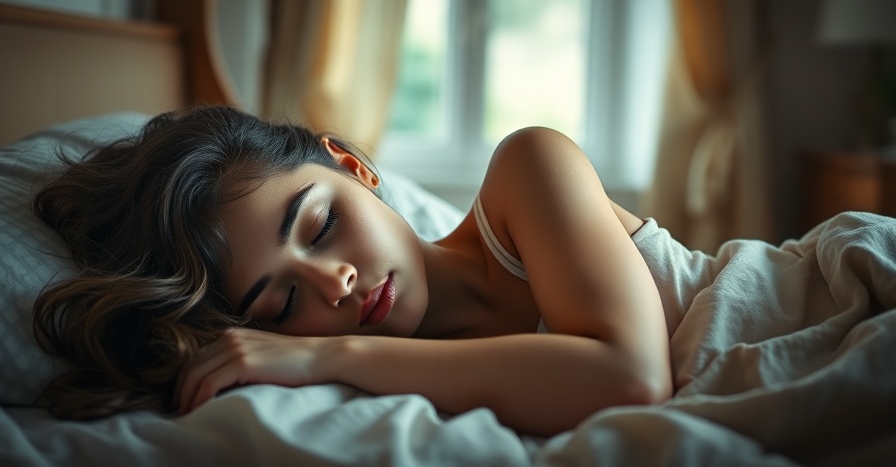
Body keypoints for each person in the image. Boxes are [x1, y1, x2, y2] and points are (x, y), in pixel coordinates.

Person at [33, 105, 672, 436]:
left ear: (354, 169)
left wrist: (328, 355)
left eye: (321, 225)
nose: (332, 281)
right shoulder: (380, 390)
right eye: (280, 305)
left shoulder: (529, 169)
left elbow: (630, 379)